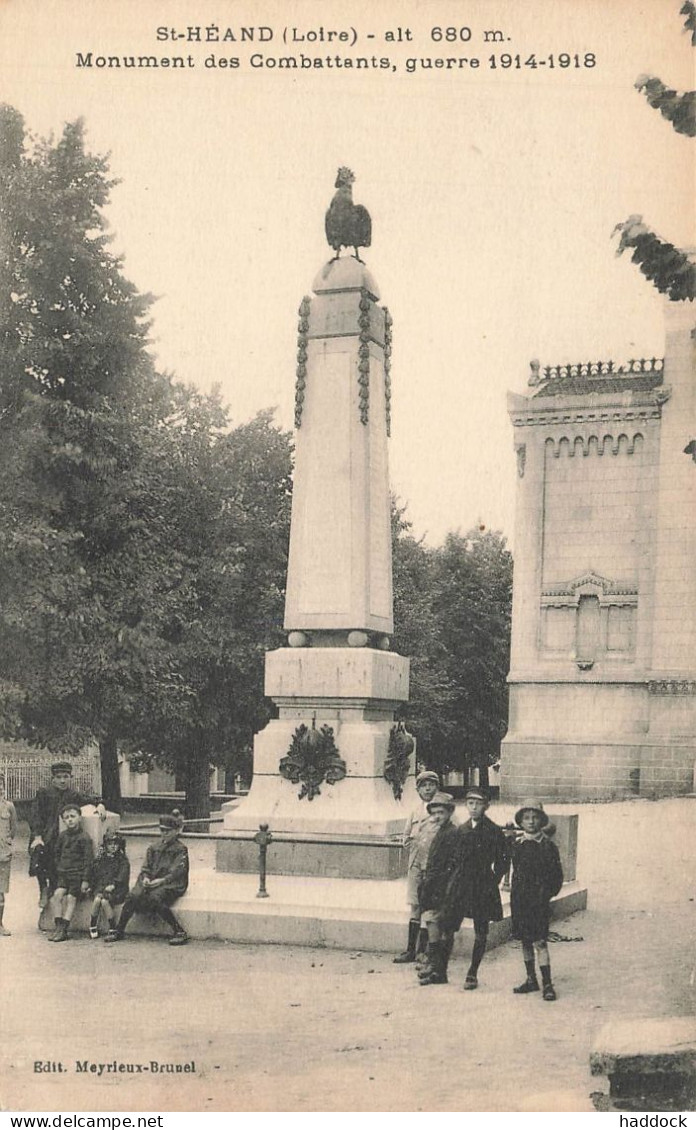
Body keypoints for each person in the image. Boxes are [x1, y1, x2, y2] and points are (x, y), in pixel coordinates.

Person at [440, 786, 509, 990]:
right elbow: (452, 858)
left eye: (478, 803)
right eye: (470, 803)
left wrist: (493, 880)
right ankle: (441, 970)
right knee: (449, 925)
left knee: (481, 930)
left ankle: (472, 972)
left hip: (482, 886)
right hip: (461, 885)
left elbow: (503, 860)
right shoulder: (461, 830)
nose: (474, 807)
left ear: (486, 806)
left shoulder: (493, 831)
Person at [106, 810, 189, 946]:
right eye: (162, 830)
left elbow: (177, 872)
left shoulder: (180, 849)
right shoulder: (153, 847)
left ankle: (179, 931)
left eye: (168, 830)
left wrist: (161, 881)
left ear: (176, 831)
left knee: (155, 897)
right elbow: (146, 868)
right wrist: (145, 878)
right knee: (133, 895)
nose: (165, 833)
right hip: (152, 881)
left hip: (171, 883)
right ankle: (119, 929)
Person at [29, 761, 105, 908]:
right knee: (41, 857)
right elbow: (35, 815)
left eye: (66, 777)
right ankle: (43, 890)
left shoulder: (73, 795)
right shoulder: (44, 793)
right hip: (45, 835)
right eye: (59, 777)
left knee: (59, 867)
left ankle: (57, 894)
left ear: (71, 778)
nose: (62, 780)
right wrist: (37, 836)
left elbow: (89, 799)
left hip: (63, 838)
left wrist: (100, 804)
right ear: (53, 778)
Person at [509, 798, 564, 1001]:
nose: (530, 822)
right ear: (521, 822)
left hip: (538, 903)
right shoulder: (517, 845)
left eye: (534, 818)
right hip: (520, 902)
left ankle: (547, 983)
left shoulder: (548, 847)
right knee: (524, 940)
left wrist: (546, 894)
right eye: (526, 818)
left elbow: (557, 877)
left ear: (541, 821)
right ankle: (531, 979)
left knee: (540, 942)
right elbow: (514, 874)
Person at [394, 770, 440, 964]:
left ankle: (425, 951)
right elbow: (406, 837)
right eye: (423, 785)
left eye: (431, 785)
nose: (427, 789)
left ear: (437, 788)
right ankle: (410, 950)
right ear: (418, 789)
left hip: (433, 867)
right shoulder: (414, 811)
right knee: (415, 906)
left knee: (430, 908)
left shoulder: (442, 811)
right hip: (415, 865)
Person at [417, 791, 460, 986]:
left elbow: (452, 864)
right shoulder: (436, 831)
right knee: (433, 924)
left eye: (441, 812)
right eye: (434, 813)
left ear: (449, 812)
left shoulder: (452, 833)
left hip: (445, 887)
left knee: (442, 928)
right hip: (434, 886)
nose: (437, 816)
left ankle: (439, 970)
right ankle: (435, 968)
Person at [48, 800, 94, 942]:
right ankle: (58, 926)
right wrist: (60, 867)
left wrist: (85, 880)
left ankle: (64, 929)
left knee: (71, 898)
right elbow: (56, 853)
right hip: (64, 874)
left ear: (79, 818)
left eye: (72, 816)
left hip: (78, 876)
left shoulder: (84, 837)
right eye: (66, 818)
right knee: (56, 896)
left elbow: (88, 860)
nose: (70, 820)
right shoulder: (62, 836)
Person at [88, 831, 130, 939]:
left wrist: (114, 885)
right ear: (105, 845)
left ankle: (112, 926)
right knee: (97, 899)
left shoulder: (122, 860)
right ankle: (92, 924)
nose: (113, 846)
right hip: (102, 887)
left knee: (104, 901)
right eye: (110, 844)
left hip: (117, 889)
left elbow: (123, 875)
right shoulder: (101, 859)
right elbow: (95, 873)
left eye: (115, 844)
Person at [0, 775, 17, 936]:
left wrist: (6, 844)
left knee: (0, 891)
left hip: (3, 853)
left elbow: (13, 829)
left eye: (0, 785)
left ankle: (0, 924)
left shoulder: (9, 806)